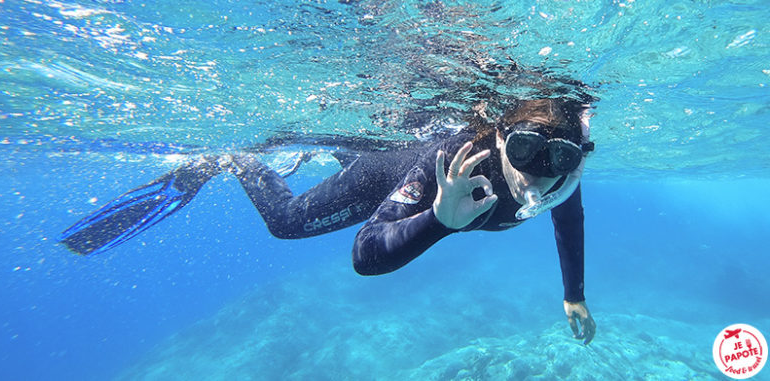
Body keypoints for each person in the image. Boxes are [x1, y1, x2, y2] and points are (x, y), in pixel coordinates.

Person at [59, 97, 596, 344]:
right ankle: (235, 161)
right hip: (383, 179)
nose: (538, 177)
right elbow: (366, 254)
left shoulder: (559, 180)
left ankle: (339, 148)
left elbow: (567, 224)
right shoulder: (457, 163)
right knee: (286, 223)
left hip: (400, 169)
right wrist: (438, 218)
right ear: (501, 136)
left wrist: (574, 293)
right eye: (525, 149)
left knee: (352, 152)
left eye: (561, 159)